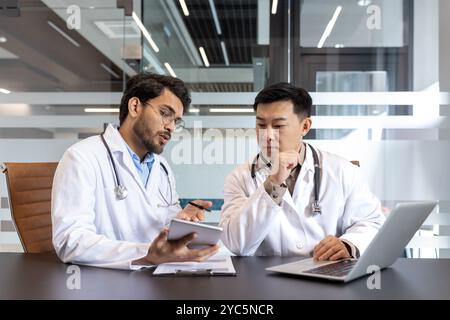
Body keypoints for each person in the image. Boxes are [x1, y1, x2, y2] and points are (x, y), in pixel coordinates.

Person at [52, 73, 219, 269]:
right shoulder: (82, 157)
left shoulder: (161, 167)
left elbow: (162, 226)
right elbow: (70, 241)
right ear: (135, 107)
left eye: (176, 121)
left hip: (156, 278)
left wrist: (181, 221)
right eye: (165, 113)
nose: (171, 127)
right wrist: (146, 254)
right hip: (104, 283)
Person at [220, 82, 385, 260]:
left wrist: (349, 244)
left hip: (326, 277)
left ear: (305, 127)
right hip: (267, 281)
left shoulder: (342, 171)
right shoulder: (240, 178)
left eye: (278, 126)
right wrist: (273, 183)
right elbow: (237, 244)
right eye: (261, 124)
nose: (267, 135)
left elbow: (372, 222)